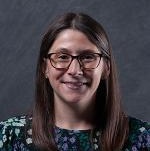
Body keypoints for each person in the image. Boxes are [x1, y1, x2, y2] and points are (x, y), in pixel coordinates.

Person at [0, 12, 149, 151]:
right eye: (63, 57)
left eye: (88, 57)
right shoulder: (9, 137)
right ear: (45, 67)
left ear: (106, 68)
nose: (75, 70)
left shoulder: (143, 138)